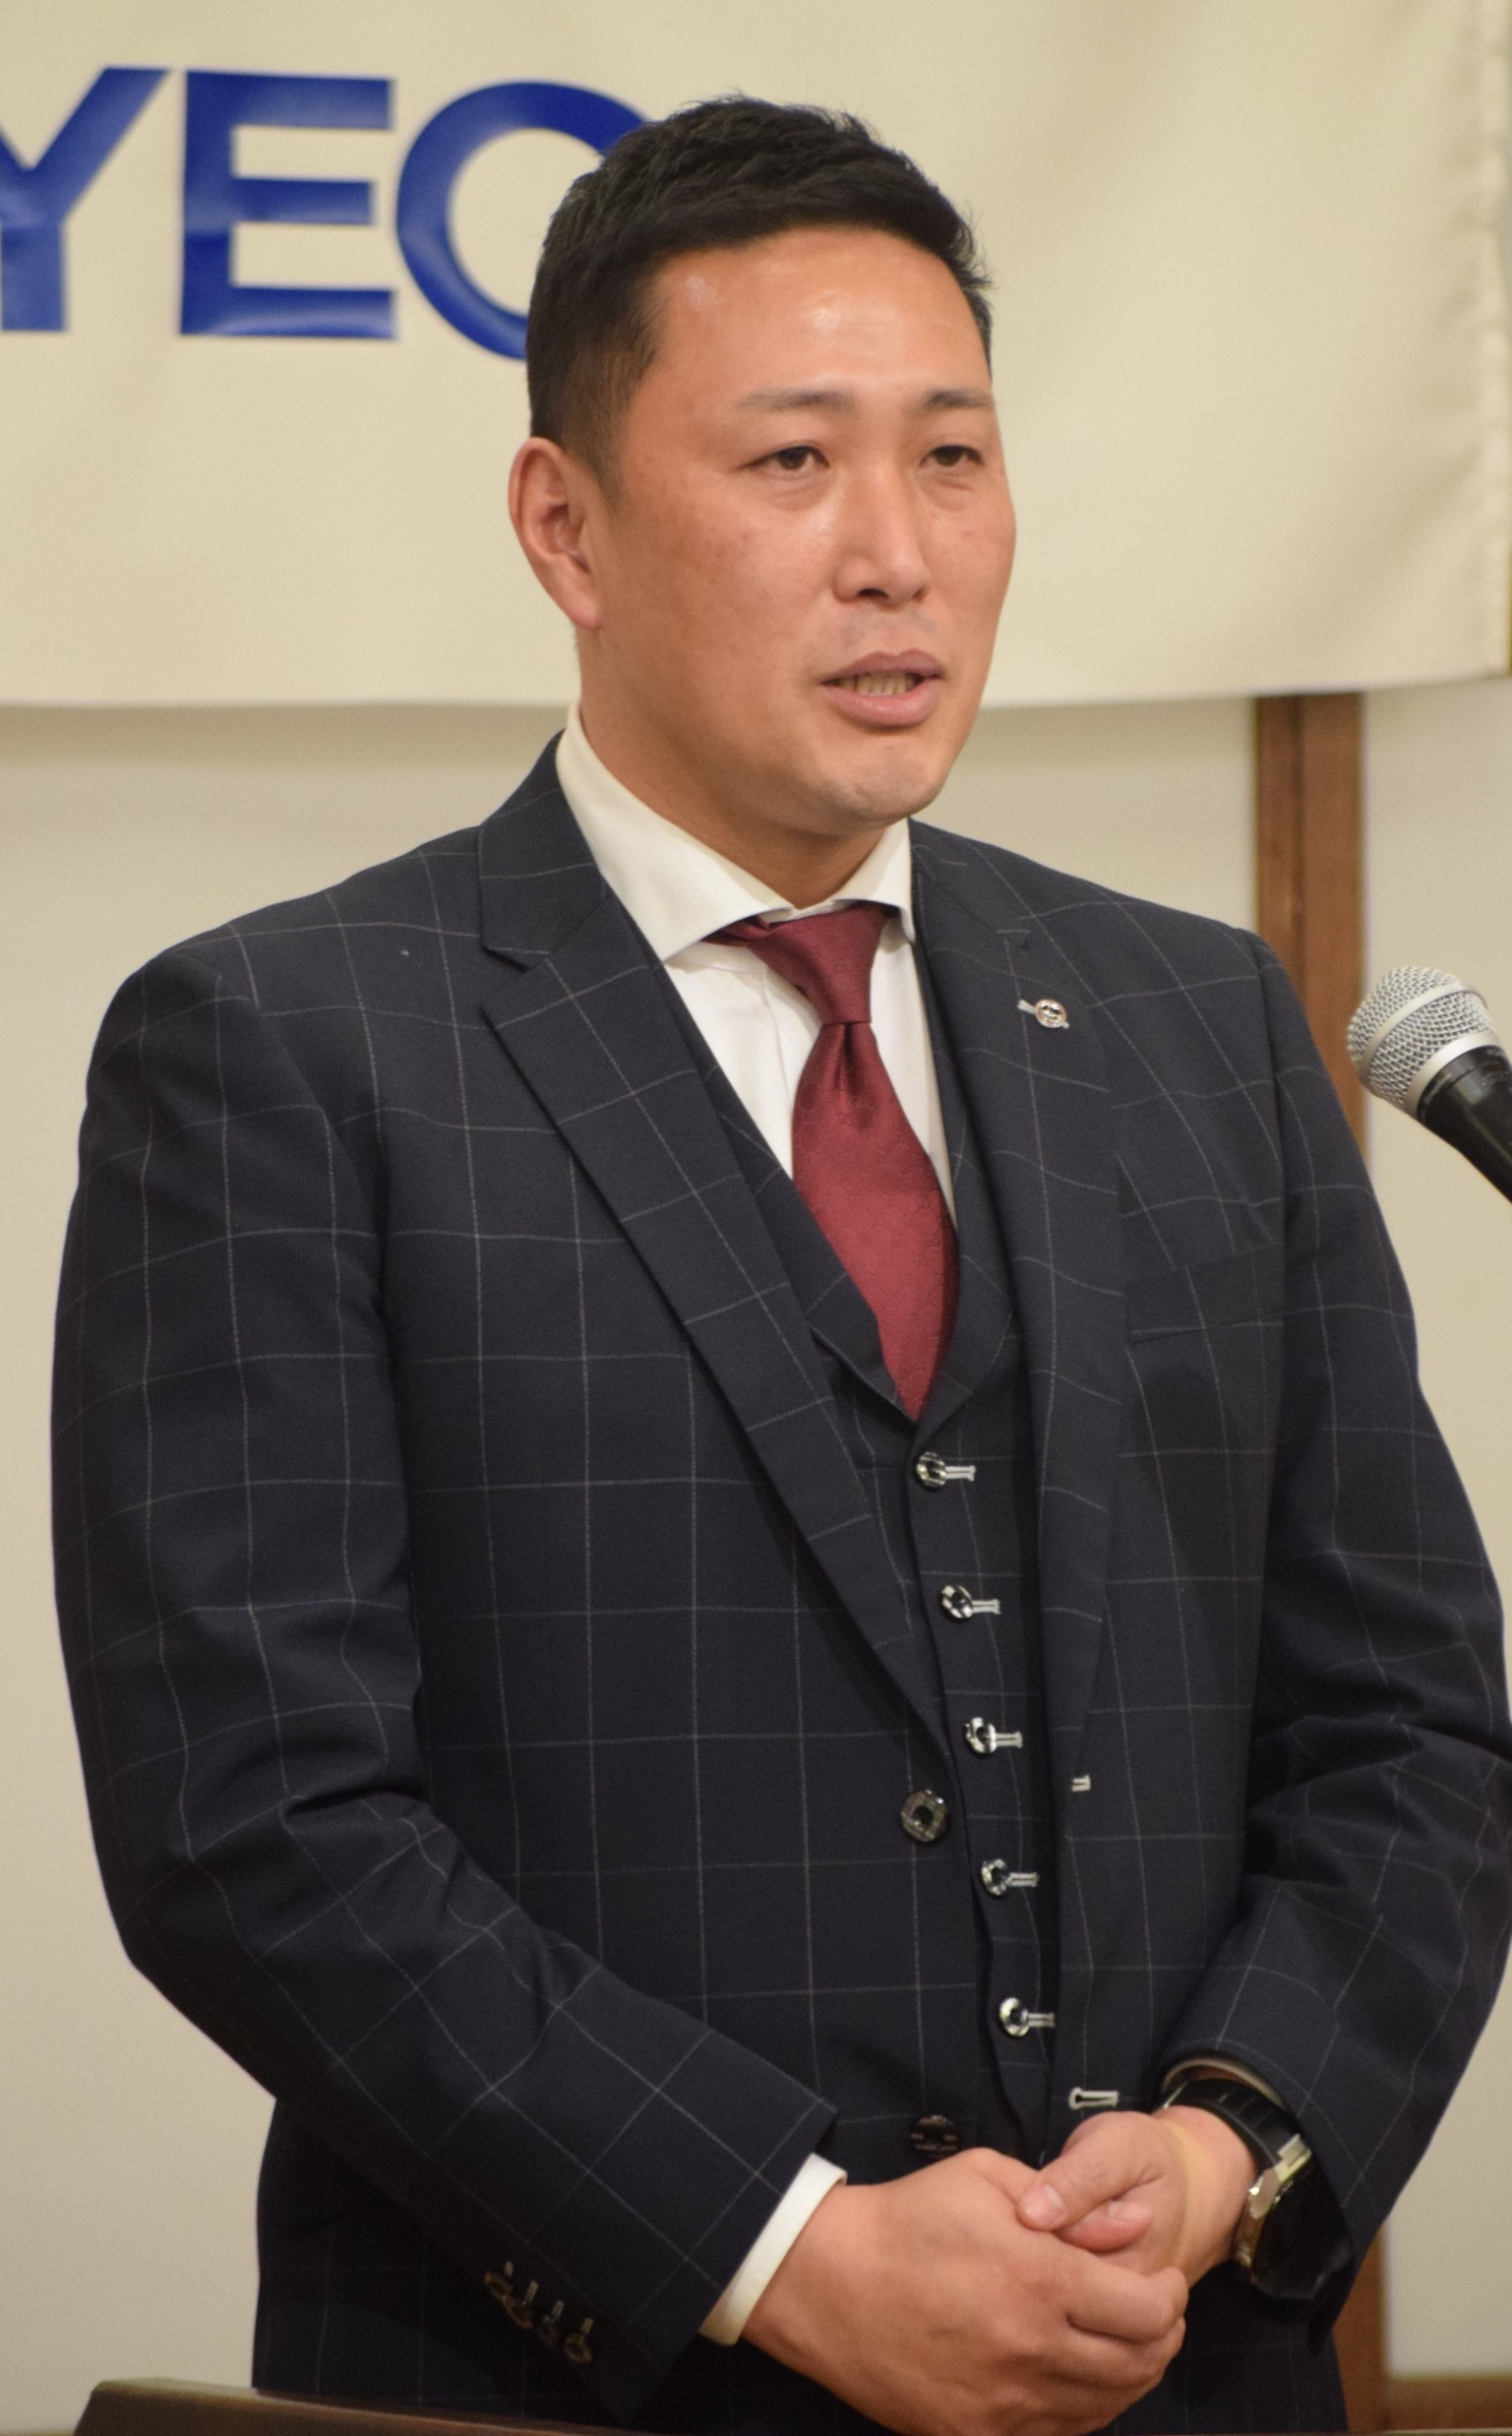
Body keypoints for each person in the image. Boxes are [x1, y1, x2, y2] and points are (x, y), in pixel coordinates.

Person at [53, 96, 1512, 2436]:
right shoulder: (285, 1045)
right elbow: (256, 1822)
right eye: (792, 462)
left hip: (1175, 2371)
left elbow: (1408, 1718)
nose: (894, 554)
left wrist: (1228, 2142)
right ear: (566, 526)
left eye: (951, 458)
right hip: (557, 2381)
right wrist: (783, 2243)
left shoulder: (1196, 1022)